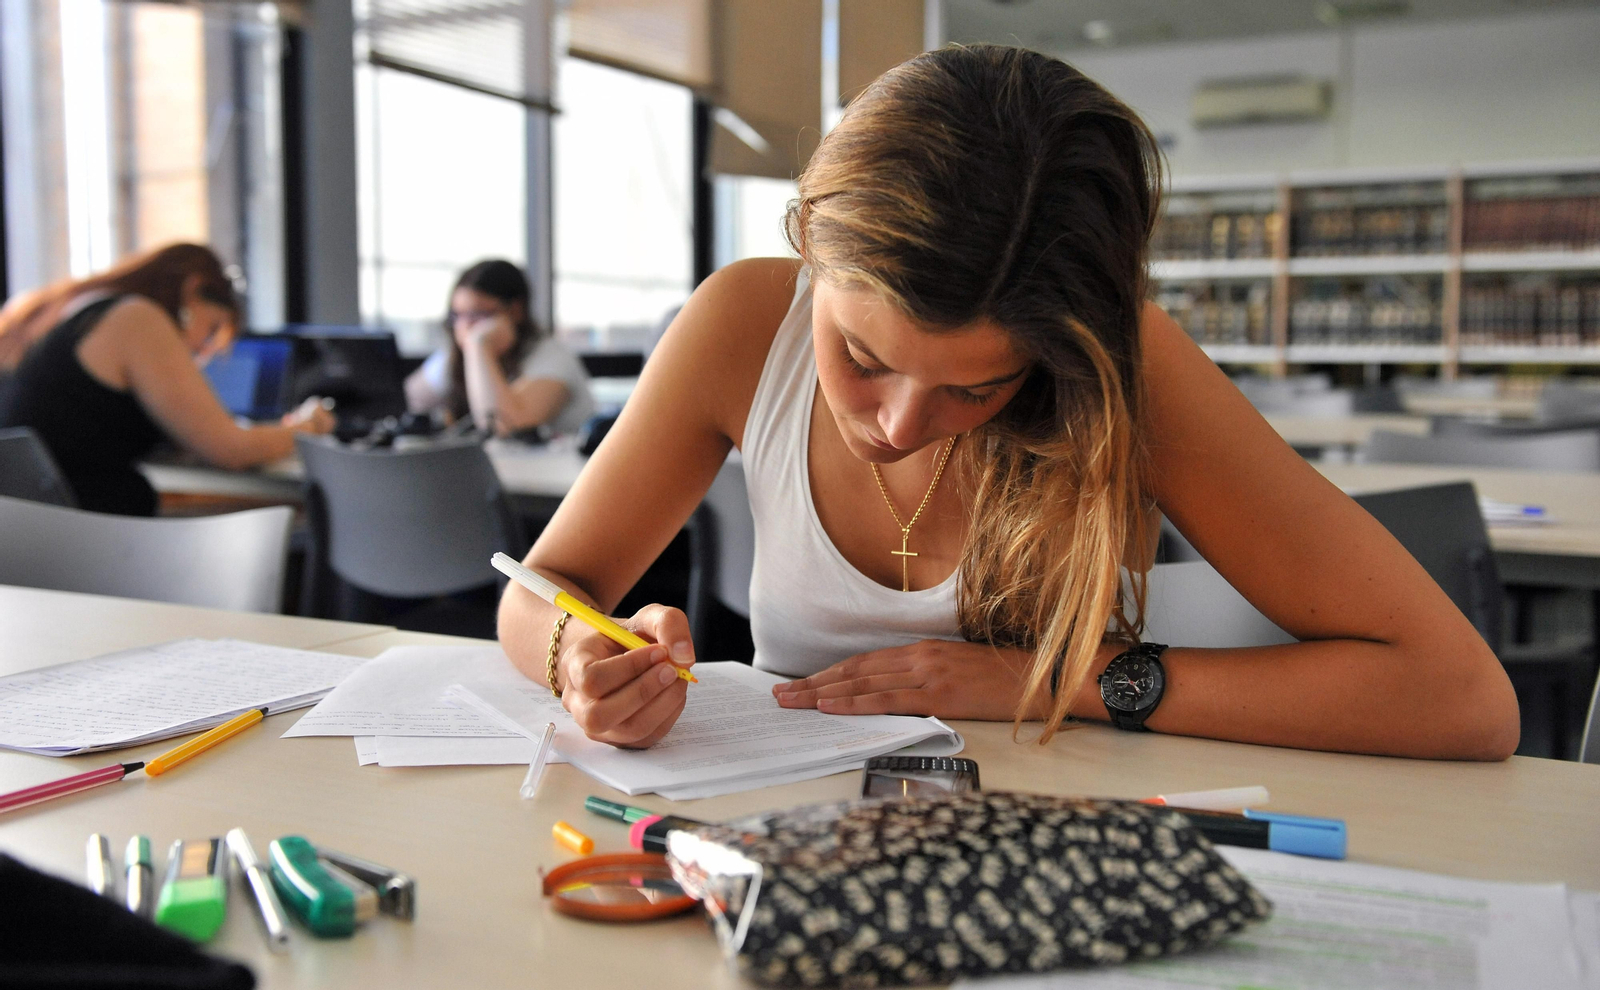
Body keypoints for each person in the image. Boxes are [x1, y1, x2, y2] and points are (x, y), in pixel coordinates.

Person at [497, 46, 1520, 761]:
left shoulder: (1131, 369)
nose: (895, 426)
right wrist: (576, 655)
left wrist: (1061, 681)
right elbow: (540, 583)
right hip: (762, 818)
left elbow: (1460, 700)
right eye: (860, 355)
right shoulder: (738, 324)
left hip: (1050, 824)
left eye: (977, 388)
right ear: (812, 238)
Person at [0, 243, 333, 516]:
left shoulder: (67, 310)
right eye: (212, 328)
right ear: (193, 289)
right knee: (287, 517)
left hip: (40, 530)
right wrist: (307, 427)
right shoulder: (136, 318)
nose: (201, 349)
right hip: (92, 533)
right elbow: (231, 449)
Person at [404, 260, 594, 438]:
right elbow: (410, 401)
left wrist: (479, 346)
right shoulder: (455, 357)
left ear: (516, 311)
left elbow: (505, 427)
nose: (464, 327)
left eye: (477, 315)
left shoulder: (553, 357)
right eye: (457, 316)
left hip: (560, 473)